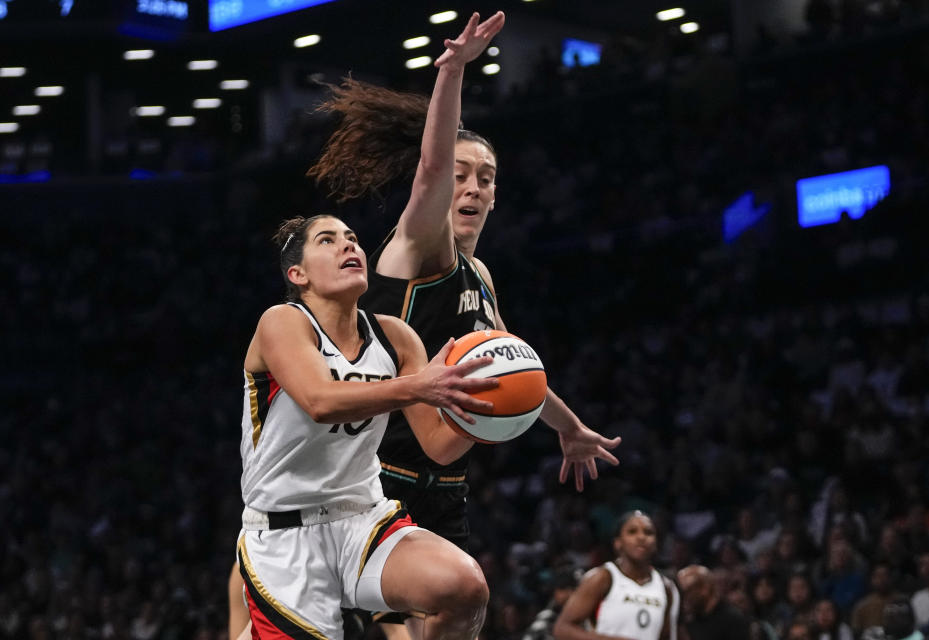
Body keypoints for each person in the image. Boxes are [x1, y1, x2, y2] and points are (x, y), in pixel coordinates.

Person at [306, 8, 621, 638]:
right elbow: (428, 168)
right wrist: (452, 74)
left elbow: (516, 370)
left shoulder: (481, 279)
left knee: (459, 618)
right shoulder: (418, 247)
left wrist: (570, 426)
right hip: (375, 479)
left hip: (445, 484)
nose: (472, 188)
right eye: (462, 176)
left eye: (486, 179)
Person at [235, 212, 504, 640]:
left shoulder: (395, 336)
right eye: (328, 240)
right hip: (286, 532)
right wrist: (418, 386)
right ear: (297, 274)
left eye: (352, 238)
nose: (348, 246)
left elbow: (438, 446)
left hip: (365, 518)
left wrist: (488, 411)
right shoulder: (283, 321)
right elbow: (319, 401)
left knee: (464, 587)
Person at [552, 510, 679, 640]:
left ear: (656, 543)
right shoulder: (602, 578)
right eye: (632, 532)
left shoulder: (667, 587)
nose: (641, 537)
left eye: (648, 532)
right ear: (618, 543)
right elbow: (562, 628)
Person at [676, 565, 751, 640]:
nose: (684, 598)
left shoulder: (733, 620)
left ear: (705, 589)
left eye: (688, 591)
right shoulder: (688, 621)